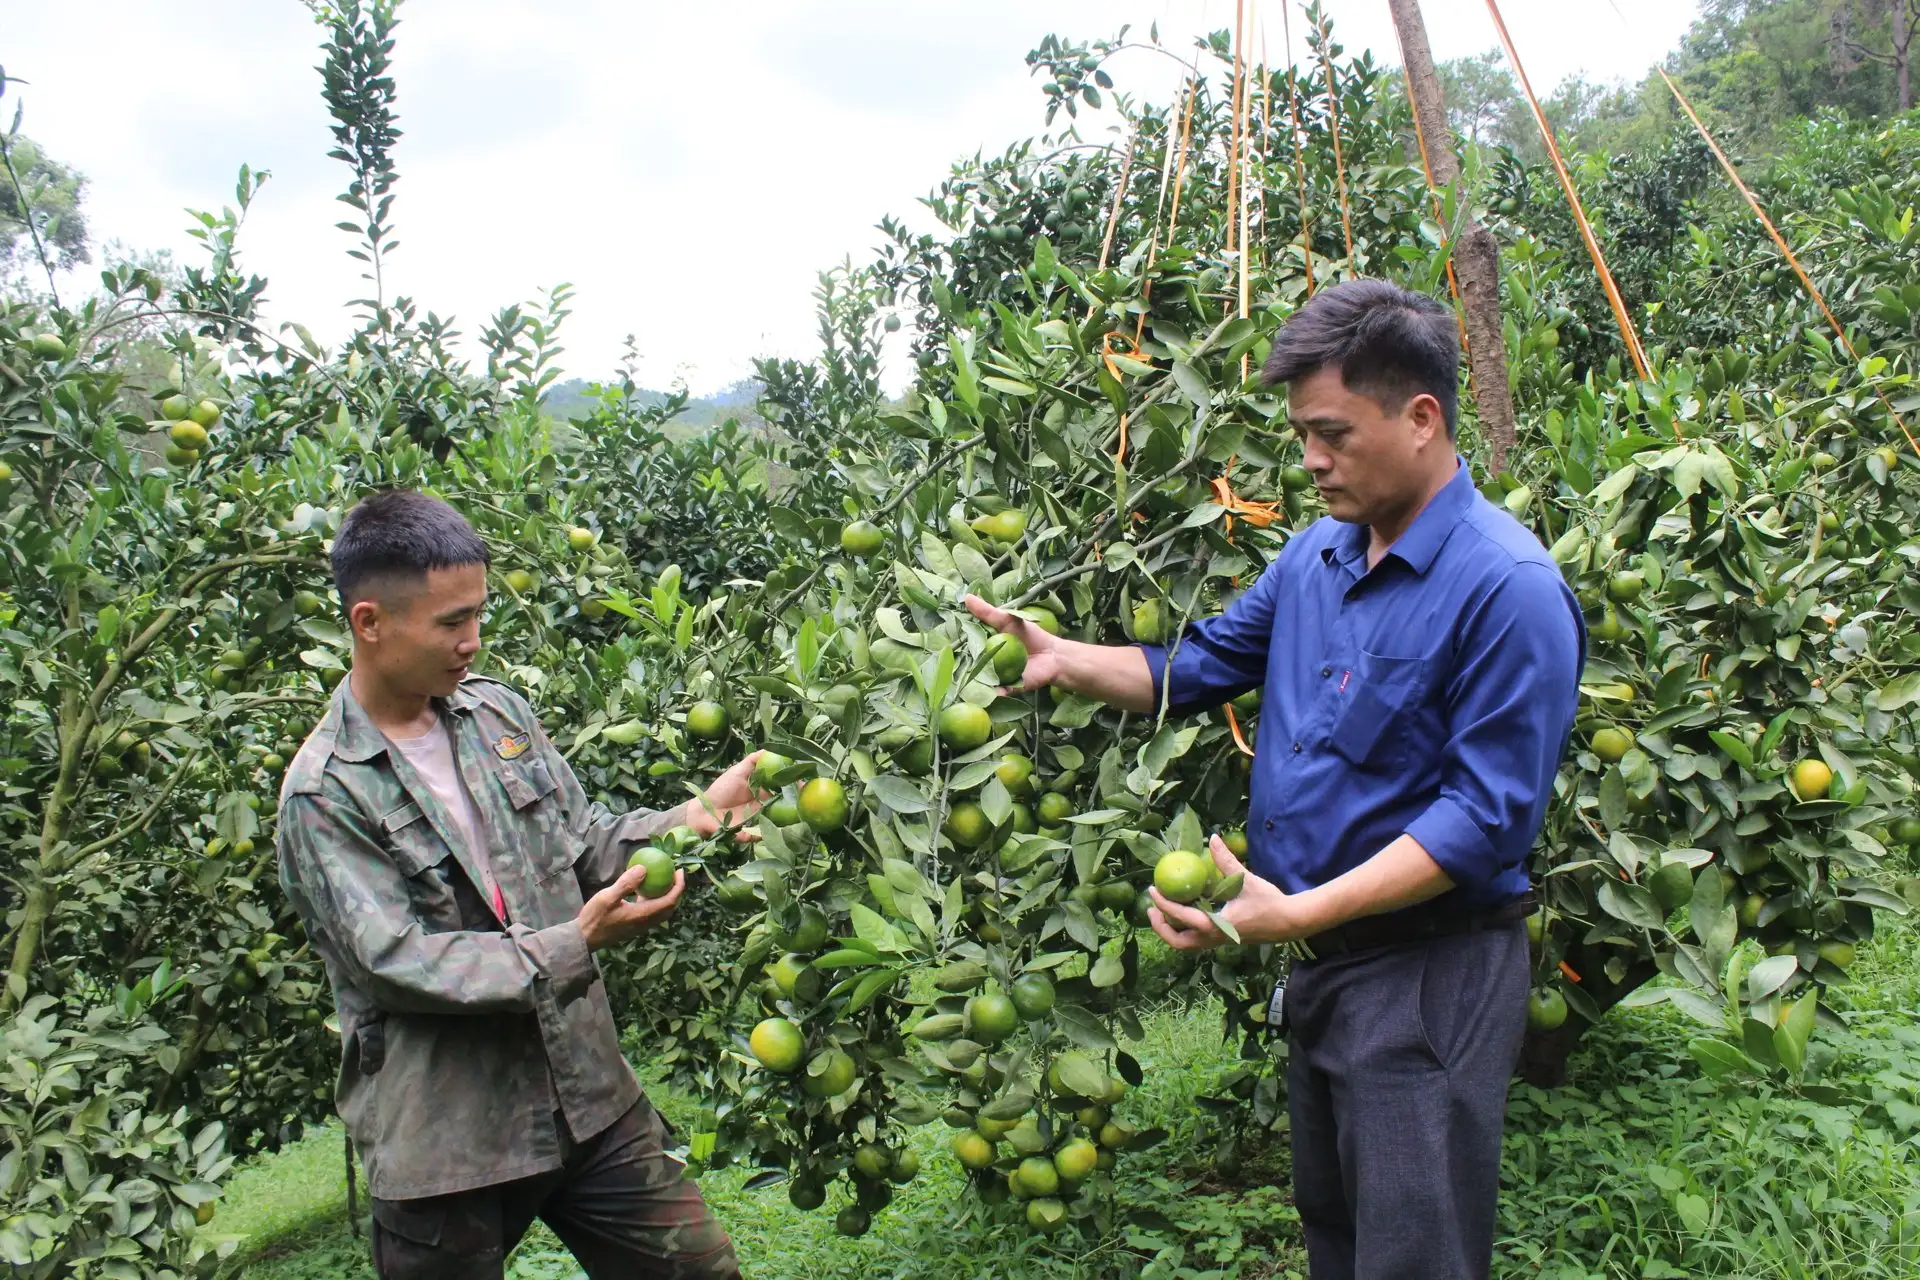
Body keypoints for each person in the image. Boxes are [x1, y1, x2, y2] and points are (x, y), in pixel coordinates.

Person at [967, 278, 1584, 1280]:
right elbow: (1197, 664)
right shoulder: (1316, 559)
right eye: (1303, 432)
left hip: (1429, 971)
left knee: (1414, 1252)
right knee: (1335, 1232)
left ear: (1421, 417)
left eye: (1333, 432)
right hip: (1325, 964)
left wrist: (1297, 914)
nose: (1309, 459)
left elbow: (1481, 822)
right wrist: (1063, 656)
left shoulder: (1507, 590)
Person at [279, 490, 757, 1280]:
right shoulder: (326, 793)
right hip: (450, 1145)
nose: (472, 641)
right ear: (369, 622)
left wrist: (693, 817)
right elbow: (395, 963)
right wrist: (575, 944)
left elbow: (581, 843)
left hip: (588, 1098)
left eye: (478, 615)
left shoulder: (497, 716)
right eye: (450, 622)